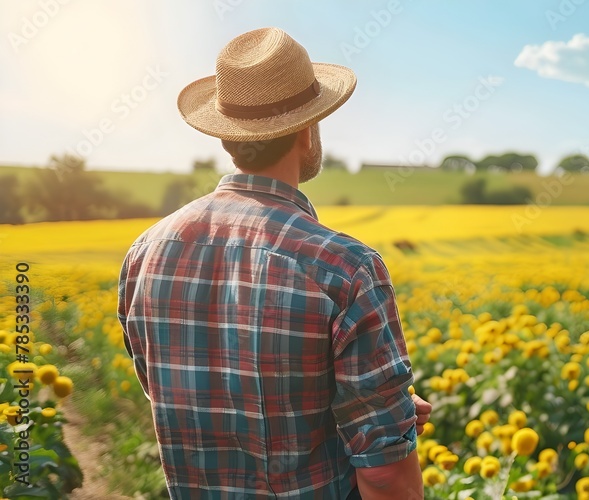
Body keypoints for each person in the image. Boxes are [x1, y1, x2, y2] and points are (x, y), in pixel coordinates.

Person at [117, 27, 429, 499]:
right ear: (308, 130)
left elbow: (169, 395)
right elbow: (385, 476)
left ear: (227, 139)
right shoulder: (344, 268)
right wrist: (383, 422)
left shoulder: (145, 253)